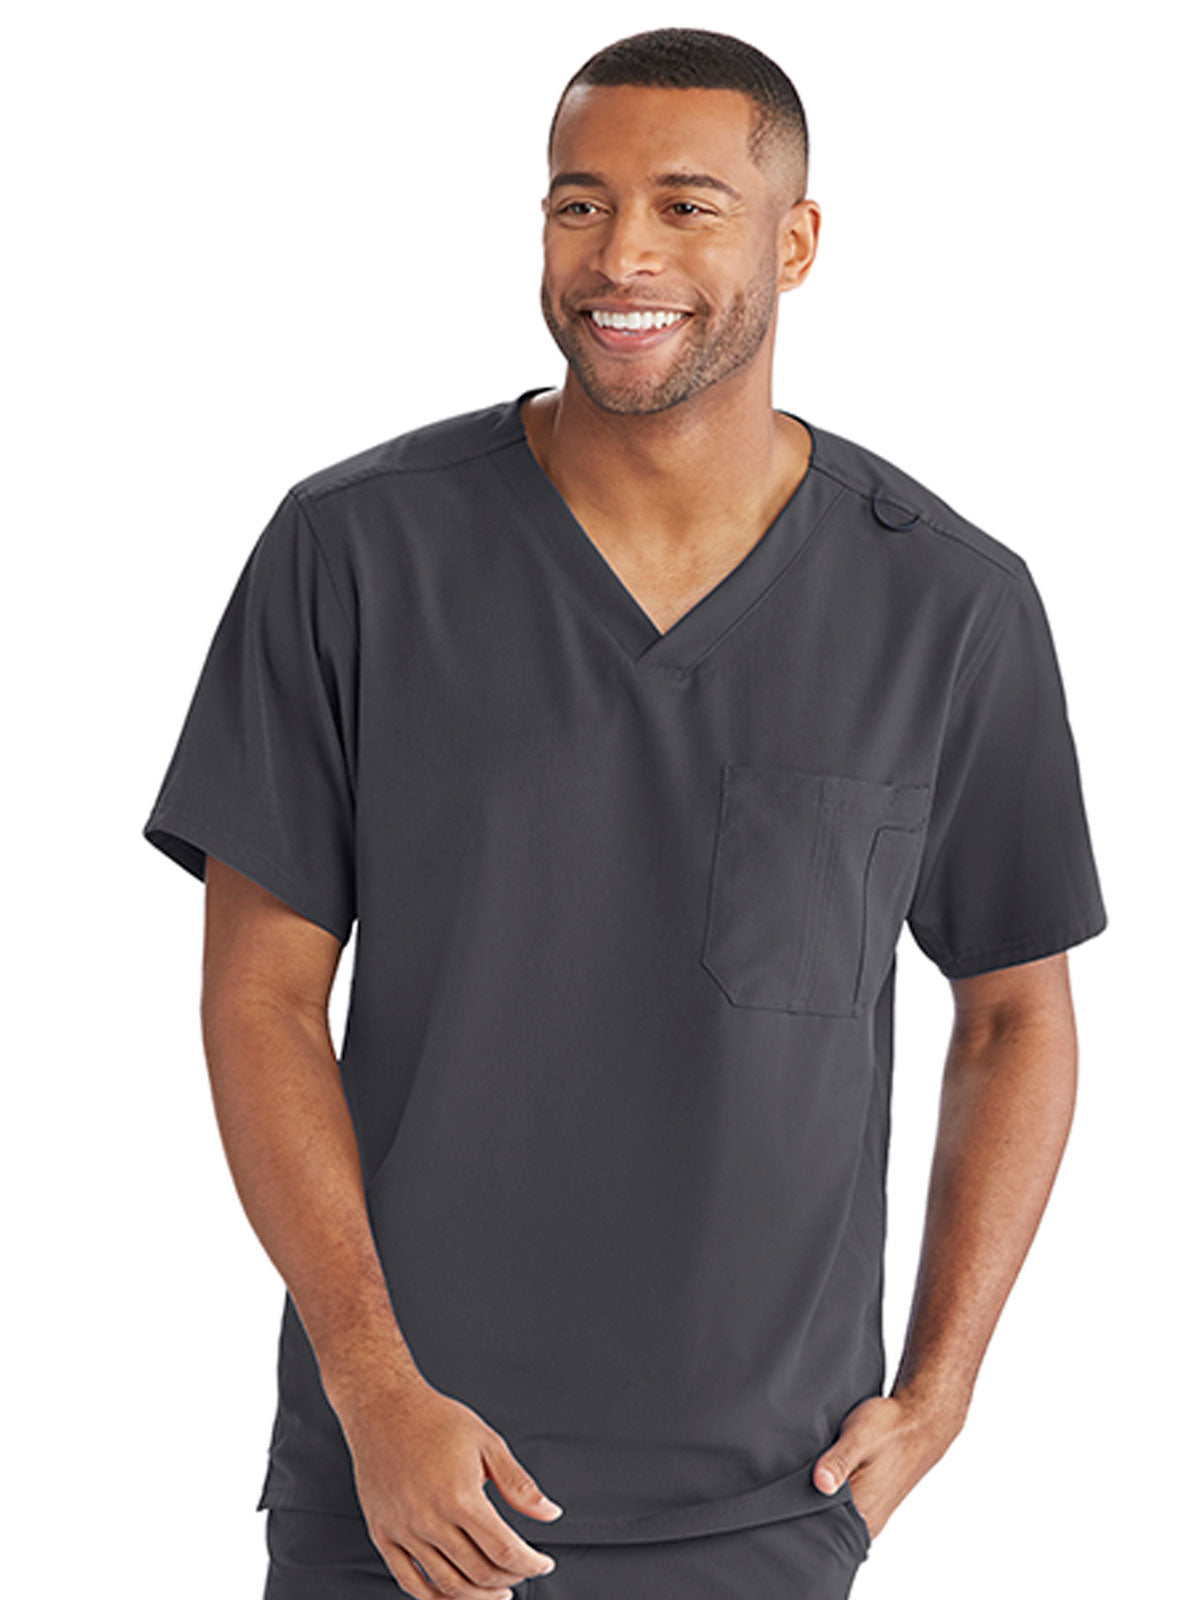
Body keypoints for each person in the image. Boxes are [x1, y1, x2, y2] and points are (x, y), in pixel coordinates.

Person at [142, 26, 1108, 1600]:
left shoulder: (946, 605)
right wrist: (373, 1391)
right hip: (403, 1496)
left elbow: (1015, 1012)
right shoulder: (356, 555)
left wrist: (940, 1392)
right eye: (578, 204)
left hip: (767, 1508)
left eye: (685, 206)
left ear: (795, 241)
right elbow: (259, 997)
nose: (620, 257)